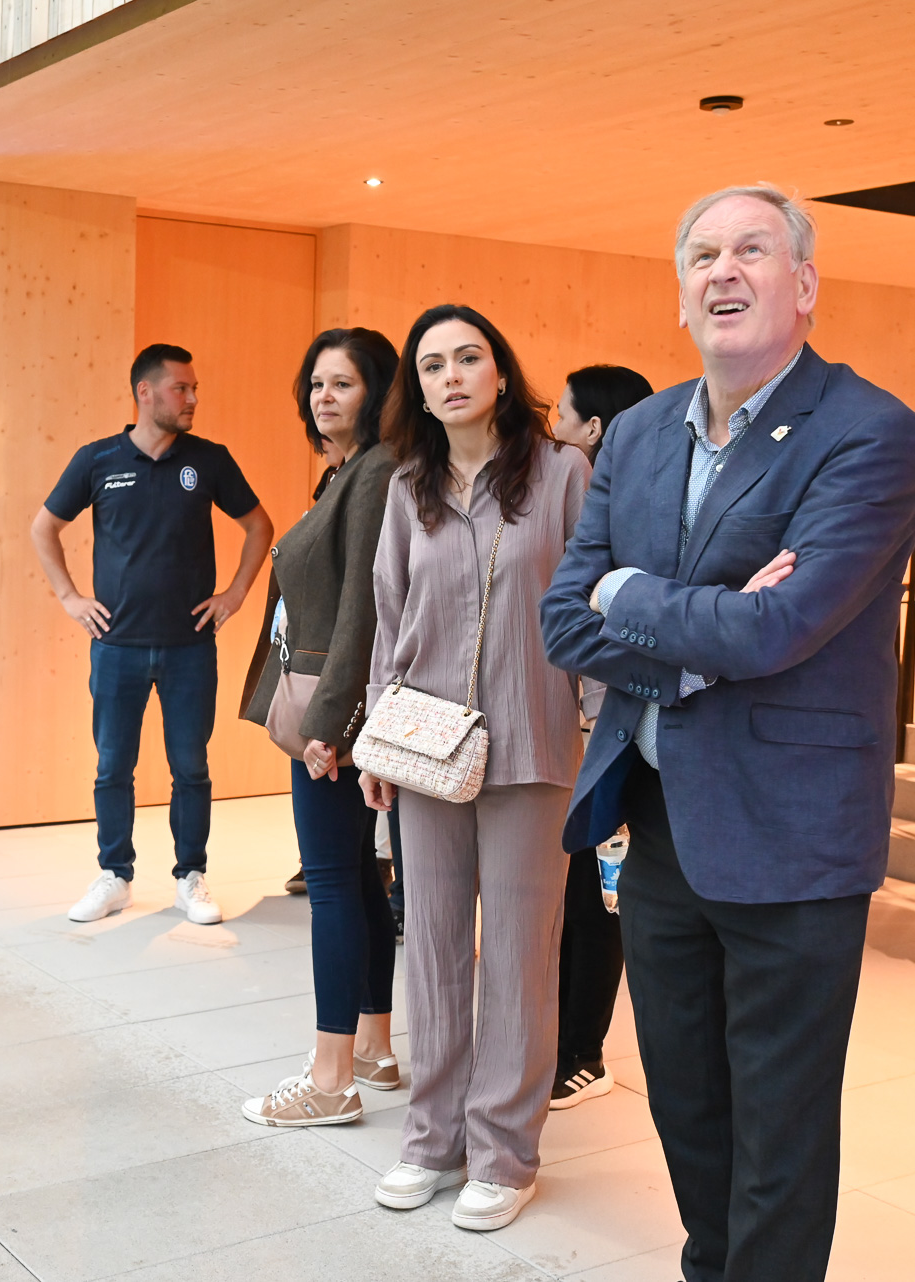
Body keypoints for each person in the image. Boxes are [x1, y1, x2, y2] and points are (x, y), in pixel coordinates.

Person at [540, 186, 915, 1281]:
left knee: (780, 1130)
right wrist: (695, 634)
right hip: (659, 825)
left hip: (794, 837)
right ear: (680, 296)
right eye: (703, 253)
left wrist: (634, 594)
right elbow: (565, 618)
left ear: (803, 285)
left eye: (753, 249)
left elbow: (782, 625)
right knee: (687, 1105)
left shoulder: (870, 431)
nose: (725, 269)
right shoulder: (641, 431)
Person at [362, 304, 590, 1232]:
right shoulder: (406, 485)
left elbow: (588, 603)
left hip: (534, 739)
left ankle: (504, 1151)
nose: (451, 375)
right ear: (417, 390)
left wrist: (604, 726)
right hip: (424, 744)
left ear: (501, 372)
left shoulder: (562, 473)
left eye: (468, 358)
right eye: (432, 365)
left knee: (521, 958)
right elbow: (389, 612)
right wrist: (377, 732)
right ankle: (432, 1138)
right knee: (433, 948)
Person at [33, 344, 274, 926]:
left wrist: (235, 594)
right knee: (113, 767)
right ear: (145, 393)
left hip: (190, 648)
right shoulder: (97, 460)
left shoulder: (209, 461)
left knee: (190, 767)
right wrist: (69, 598)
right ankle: (114, 875)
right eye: (180, 389)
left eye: (194, 389)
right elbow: (44, 528)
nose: (192, 399)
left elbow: (259, 526)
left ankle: (191, 876)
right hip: (116, 647)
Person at [239, 327, 402, 1127]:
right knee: (357, 879)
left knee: (333, 883)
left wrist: (330, 726)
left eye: (343, 383)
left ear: (378, 392)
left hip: (330, 714)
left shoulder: (374, 471)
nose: (325, 397)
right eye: (316, 384)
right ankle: (372, 1047)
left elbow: (362, 607)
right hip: (329, 708)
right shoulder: (345, 471)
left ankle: (331, 1080)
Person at [546, 363, 654, 1111]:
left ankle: (584, 1053)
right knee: (574, 894)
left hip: (607, 726)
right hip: (578, 723)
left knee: (596, 899)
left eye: (561, 414)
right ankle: (561, 1040)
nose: (551, 426)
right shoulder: (588, 497)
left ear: (592, 429)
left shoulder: (613, 506)